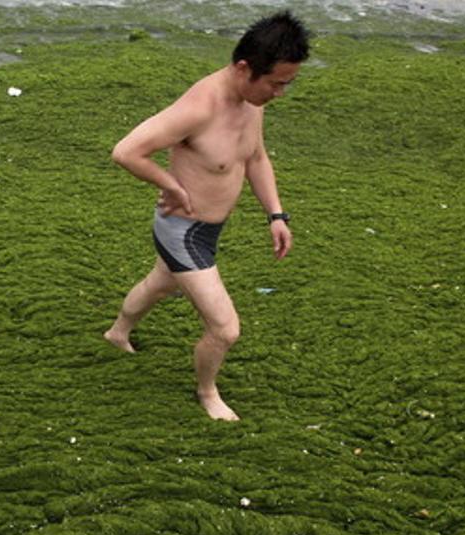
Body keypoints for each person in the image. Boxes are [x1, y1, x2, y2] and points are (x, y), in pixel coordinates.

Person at [104, 11, 310, 421]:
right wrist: (171, 185)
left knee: (161, 283)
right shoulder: (199, 107)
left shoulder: (253, 100)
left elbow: (255, 156)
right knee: (225, 329)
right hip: (182, 231)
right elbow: (125, 151)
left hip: (211, 229)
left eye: (288, 83)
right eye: (276, 83)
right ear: (243, 68)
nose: (280, 93)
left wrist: (276, 214)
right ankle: (207, 392)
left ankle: (117, 333)